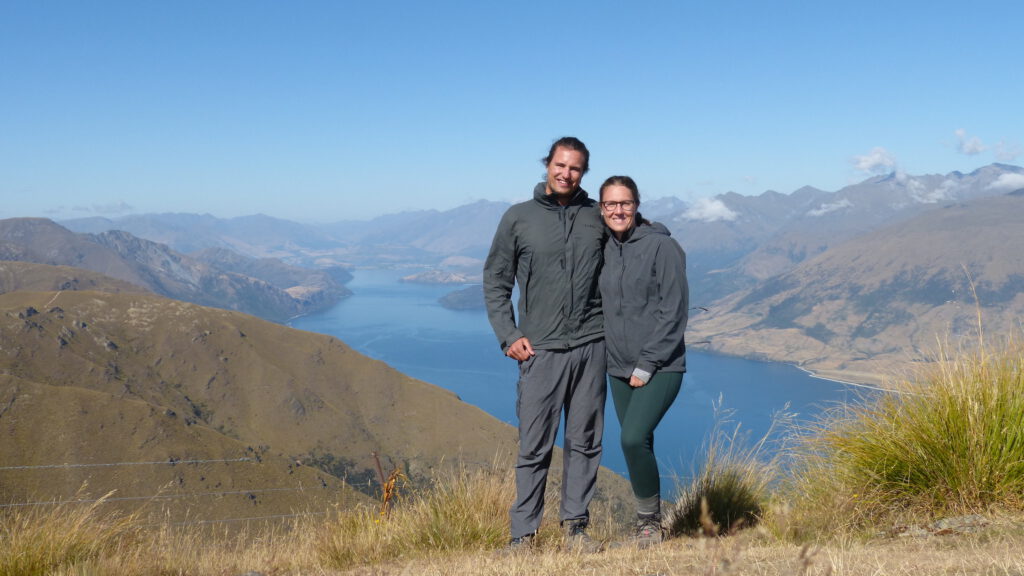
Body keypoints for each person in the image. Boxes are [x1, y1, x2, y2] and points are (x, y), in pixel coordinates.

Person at [483, 136, 608, 552]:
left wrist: (660, 235)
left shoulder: (597, 215)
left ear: (583, 173)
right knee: (534, 444)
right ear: (547, 164)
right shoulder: (518, 218)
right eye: (560, 164)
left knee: (585, 442)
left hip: (591, 345)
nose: (565, 173)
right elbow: (496, 281)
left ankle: (575, 528)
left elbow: (632, 242)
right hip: (541, 350)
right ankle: (523, 536)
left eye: (574, 168)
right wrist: (508, 334)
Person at [597, 175, 688, 548]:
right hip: (617, 365)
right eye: (610, 204)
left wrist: (648, 363)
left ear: (637, 205)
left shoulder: (661, 247)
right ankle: (647, 527)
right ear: (600, 209)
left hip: (661, 365)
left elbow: (675, 310)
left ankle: (650, 527)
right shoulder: (602, 246)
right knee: (640, 441)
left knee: (632, 439)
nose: (618, 210)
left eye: (625, 203)